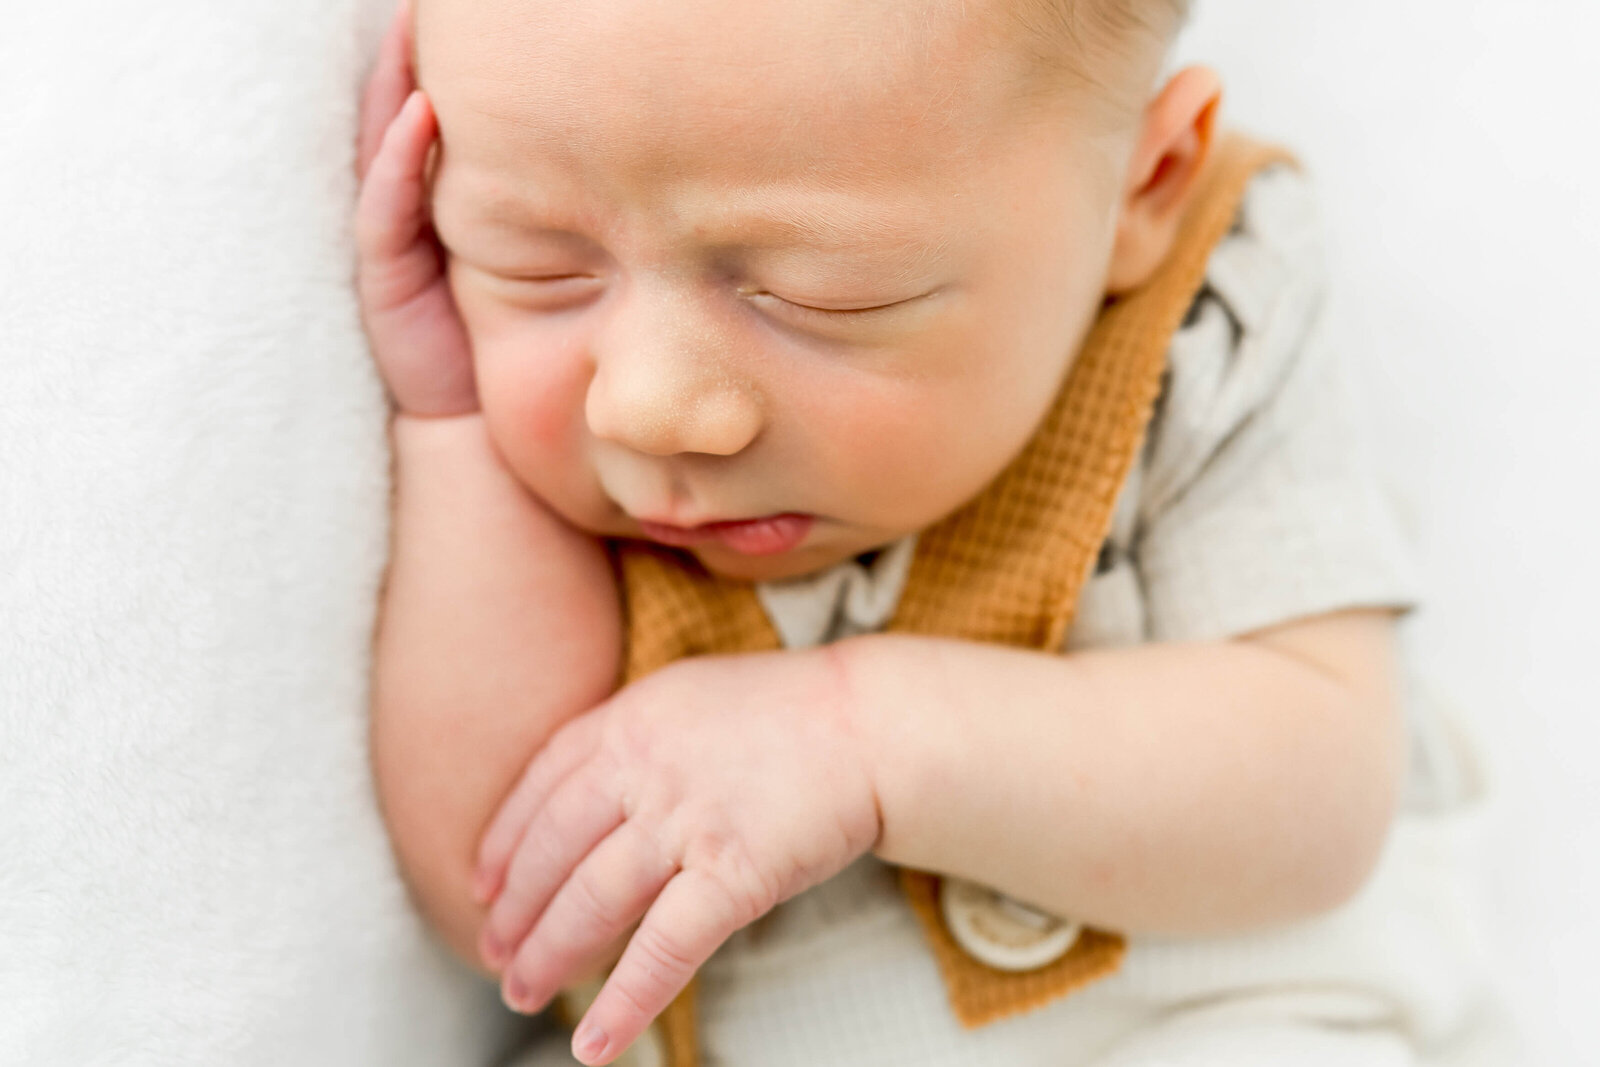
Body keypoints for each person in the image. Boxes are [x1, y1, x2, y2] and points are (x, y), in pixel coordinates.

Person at [355, 0, 1493, 1064]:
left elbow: (1320, 795)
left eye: (826, 293)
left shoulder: (1208, 313)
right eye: (536, 266)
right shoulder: (546, 463)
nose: (647, 408)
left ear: (1141, 189)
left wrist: (862, 738)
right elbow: (501, 905)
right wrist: (451, 423)